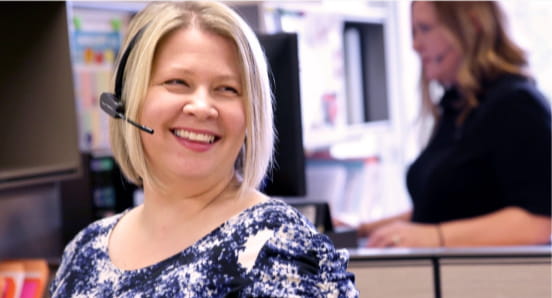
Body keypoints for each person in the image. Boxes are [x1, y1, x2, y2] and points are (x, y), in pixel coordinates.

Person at [50, 2, 358, 297]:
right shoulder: (84, 251)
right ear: (127, 101)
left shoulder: (278, 249)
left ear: (251, 115)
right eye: (177, 82)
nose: (201, 107)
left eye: (226, 89)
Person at [357, 1, 551, 248]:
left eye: (425, 29)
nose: (415, 45)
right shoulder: (460, 106)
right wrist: (362, 231)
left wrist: (435, 237)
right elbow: (443, 207)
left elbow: (537, 223)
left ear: (473, 25)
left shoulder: (516, 104)